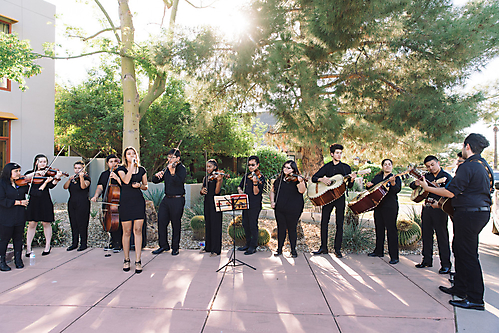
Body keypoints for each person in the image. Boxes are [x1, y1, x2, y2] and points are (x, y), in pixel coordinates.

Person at [416, 133, 492, 311]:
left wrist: (427, 188)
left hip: (469, 215)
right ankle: (460, 287)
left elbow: (451, 192)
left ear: (467, 146)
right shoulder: (484, 166)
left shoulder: (468, 166)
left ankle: (475, 299)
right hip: (478, 213)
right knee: (459, 249)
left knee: (468, 255)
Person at [409, 155, 452, 273]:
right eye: (428, 166)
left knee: (442, 236)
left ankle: (446, 264)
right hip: (427, 208)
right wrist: (417, 183)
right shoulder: (425, 177)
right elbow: (412, 185)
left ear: (438, 163)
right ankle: (426, 260)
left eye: (432, 165)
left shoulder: (446, 176)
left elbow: (451, 192)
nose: (431, 168)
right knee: (426, 235)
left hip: (440, 209)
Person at [311, 144, 355, 258]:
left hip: (340, 198)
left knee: (339, 224)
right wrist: (322, 179)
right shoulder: (327, 167)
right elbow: (314, 178)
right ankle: (323, 248)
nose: (339, 155)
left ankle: (337, 249)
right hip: (328, 198)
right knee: (324, 222)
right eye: (337, 153)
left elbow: (349, 186)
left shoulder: (346, 168)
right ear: (332, 154)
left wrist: (352, 180)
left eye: (340, 153)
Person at [116, 147, 148, 273]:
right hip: (125, 202)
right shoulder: (121, 169)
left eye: (133, 153)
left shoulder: (142, 170)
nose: (131, 155)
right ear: (125, 157)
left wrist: (140, 185)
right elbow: (126, 180)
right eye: (128, 154)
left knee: (138, 230)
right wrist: (131, 166)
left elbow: (146, 186)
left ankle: (138, 260)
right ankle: (126, 259)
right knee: (127, 231)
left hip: (138, 202)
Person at [25, 154, 63, 257]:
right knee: (32, 224)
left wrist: (56, 179)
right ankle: (28, 247)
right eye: (41, 161)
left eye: (45, 162)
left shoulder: (48, 174)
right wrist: (36, 173)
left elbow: (51, 186)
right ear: (36, 162)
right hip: (33, 201)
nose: (43, 164)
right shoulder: (30, 174)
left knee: (46, 223)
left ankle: (47, 245)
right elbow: (25, 180)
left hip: (45, 200)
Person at [151, 148, 187, 256]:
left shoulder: (181, 169)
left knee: (176, 223)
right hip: (167, 198)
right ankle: (163, 245)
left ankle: (175, 247)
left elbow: (179, 181)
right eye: (169, 157)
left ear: (178, 158)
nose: (170, 159)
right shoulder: (167, 168)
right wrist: (156, 176)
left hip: (177, 198)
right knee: (161, 221)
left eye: (172, 157)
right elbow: (155, 181)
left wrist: (172, 173)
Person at [366, 159, 401, 264]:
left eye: (389, 164)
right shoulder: (378, 177)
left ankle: (394, 256)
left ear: (392, 166)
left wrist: (393, 183)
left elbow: (397, 190)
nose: (387, 166)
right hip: (378, 206)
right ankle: (378, 251)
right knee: (379, 229)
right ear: (382, 166)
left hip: (390, 207)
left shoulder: (395, 177)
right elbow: (372, 189)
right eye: (385, 164)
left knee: (391, 230)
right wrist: (368, 185)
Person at [270, 160, 306, 258]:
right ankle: (279, 249)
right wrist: (272, 201)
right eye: (284, 167)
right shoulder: (279, 179)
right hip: (280, 208)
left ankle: (293, 250)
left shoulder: (296, 180)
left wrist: (301, 181)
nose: (285, 169)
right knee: (281, 229)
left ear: (293, 170)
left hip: (294, 209)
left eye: (288, 168)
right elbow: (272, 191)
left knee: (292, 229)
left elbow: (302, 191)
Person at [0, 163, 29, 271]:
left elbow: (32, 192)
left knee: (18, 239)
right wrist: (19, 202)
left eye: (19, 171)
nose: (19, 173)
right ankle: (2, 261)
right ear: (9, 172)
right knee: (5, 239)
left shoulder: (21, 183)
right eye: (16, 171)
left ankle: (18, 260)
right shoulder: (2, 183)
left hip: (19, 215)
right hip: (6, 216)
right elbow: (2, 200)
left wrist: (46, 182)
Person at [91, 154, 123, 252]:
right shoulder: (104, 174)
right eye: (111, 161)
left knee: (117, 222)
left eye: (115, 161)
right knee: (108, 221)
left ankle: (118, 243)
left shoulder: (121, 173)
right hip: (107, 200)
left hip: (117, 201)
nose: (113, 163)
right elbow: (100, 187)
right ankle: (112, 242)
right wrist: (96, 196)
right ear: (107, 163)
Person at [237, 156, 266, 255]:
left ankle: (253, 246)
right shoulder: (246, 176)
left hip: (255, 204)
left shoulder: (260, 177)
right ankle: (247, 244)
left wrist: (255, 183)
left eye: (253, 165)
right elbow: (239, 186)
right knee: (245, 223)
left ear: (257, 165)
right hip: (245, 203)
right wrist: (240, 191)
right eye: (249, 165)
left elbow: (256, 193)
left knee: (253, 225)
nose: (250, 167)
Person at [63, 160, 91, 252]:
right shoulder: (73, 178)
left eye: (79, 168)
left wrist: (81, 177)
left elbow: (83, 187)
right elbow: (65, 187)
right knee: (73, 223)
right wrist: (69, 180)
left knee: (82, 223)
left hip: (83, 203)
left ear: (83, 168)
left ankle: (83, 243)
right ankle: (74, 243)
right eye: (75, 168)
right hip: (72, 202)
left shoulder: (87, 178)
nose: (77, 170)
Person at [200, 159, 224, 257]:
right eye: (207, 167)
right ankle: (208, 247)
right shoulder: (206, 178)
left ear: (215, 167)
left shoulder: (218, 177)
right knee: (208, 224)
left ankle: (216, 250)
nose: (208, 168)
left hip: (216, 203)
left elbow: (217, 191)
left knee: (215, 225)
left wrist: (219, 180)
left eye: (210, 166)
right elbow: (202, 191)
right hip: (207, 202)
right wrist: (202, 191)